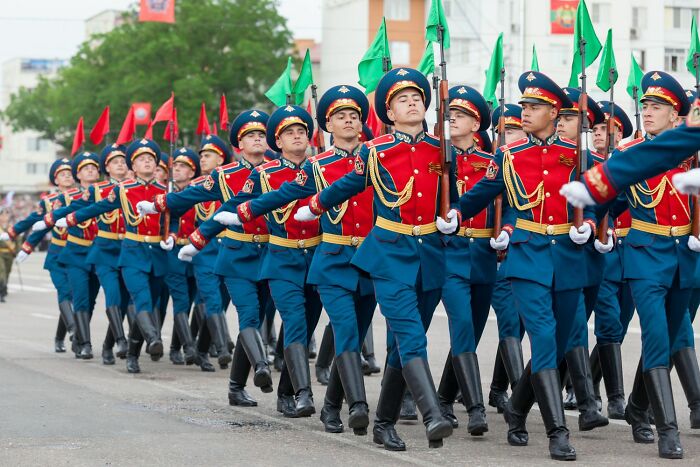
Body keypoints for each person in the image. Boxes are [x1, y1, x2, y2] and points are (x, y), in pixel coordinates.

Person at [194, 85, 376, 435]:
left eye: (301, 132)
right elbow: (245, 203)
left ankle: (287, 393)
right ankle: (304, 393)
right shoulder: (263, 174)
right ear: (278, 142)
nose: (297, 137)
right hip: (279, 258)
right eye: (289, 133)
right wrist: (209, 229)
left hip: (317, 257)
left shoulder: (320, 167)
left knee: (308, 327)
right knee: (291, 322)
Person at [294, 68, 458, 449]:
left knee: (404, 345)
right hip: (388, 254)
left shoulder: (440, 149)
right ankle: (432, 412)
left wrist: (456, 215)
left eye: (417, 96)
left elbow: (465, 191)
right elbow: (351, 183)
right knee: (410, 334)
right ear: (389, 112)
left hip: (430, 255)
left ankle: (383, 423)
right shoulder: (375, 151)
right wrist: (317, 203)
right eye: (403, 99)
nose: (413, 102)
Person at [458, 71, 599, 461]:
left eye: (534, 107)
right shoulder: (508, 156)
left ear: (554, 112)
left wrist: (589, 224)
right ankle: (557, 432)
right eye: (524, 106)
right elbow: (483, 192)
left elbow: (605, 198)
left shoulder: (578, 156)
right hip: (526, 256)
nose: (526, 112)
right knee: (542, 334)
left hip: (568, 258)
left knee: (556, 344)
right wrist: (455, 212)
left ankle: (517, 408)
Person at [140, 111, 276, 404]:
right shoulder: (225, 175)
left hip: (270, 254)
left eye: (262, 135)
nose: (257, 139)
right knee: (249, 316)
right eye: (250, 135)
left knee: (262, 316)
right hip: (237, 254)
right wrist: (158, 204)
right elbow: (190, 196)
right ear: (239, 143)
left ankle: (235, 387)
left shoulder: (278, 170)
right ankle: (261, 366)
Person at [49, 139, 169, 373]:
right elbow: (97, 208)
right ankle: (144, 339)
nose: (147, 162)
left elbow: (176, 214)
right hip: (116, 253)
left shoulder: (164, 192)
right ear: (133, 166)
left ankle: (115, 347)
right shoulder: (121, 191)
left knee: (133, 304)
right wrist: (68, 219)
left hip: (153, 255)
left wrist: (173, 234)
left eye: (151, 159)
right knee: (122, 297)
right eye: (140, 159)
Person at [435, 85, 497, 436]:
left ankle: (444, 397)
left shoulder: (491, 163)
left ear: (476, 124)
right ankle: (475, 408)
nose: (451, 120)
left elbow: (510, 205)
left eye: (459, 115)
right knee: (461, 325)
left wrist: (505, 229)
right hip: (449, 253)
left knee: (470, 332)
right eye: (448, 115)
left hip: (484, 255)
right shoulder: (438, 160)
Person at [5, 159, 76, 352]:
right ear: (56, 180)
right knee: (64, 292)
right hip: (58, 254)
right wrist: (25, 245)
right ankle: (74, 331)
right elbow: (35, 224)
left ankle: (61, 336)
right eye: (63, 174)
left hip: (79, 252)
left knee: (75, 296)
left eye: (70, 173)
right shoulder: (49, 202)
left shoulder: (83, 197)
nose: (67, 177)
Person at [483, 104, 526, 414]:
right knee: (510, 322)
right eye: (500, 132)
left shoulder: (529, 165)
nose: (504, 137)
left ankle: (497, 389)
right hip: (492, 258)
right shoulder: (492, 165)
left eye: (511, 130)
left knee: (520, 324)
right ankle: (518, 393)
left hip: (522, 256)